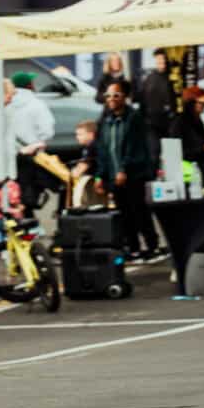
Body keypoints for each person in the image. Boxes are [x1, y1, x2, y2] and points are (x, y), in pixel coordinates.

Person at [95, 80, 160, 260]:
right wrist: (100, 175)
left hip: (133, 174)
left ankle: (152, 245)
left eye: (116, 95)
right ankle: (132, 247)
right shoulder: (104, 121)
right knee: (123, 214)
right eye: (108, 96)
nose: (111, 99)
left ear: (125, 97)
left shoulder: (134, 118)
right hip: (113, 175)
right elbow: (102, 149)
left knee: (139, 211)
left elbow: (135, 147)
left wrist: (124, 169)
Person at [6, 73, 56, 217]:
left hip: (13, 155)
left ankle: (21, 226)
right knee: (29, 192)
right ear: (29, 85)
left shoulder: (6, 104)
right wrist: (39, 142)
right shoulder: (37, 104)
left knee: (14, 194)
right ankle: (29, 226)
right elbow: (48, 131)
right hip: (32, 155)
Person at [138, 50, 175, 166]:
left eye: (163, 61)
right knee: (153, 154)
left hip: (170, 123)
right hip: (152, 123)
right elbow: (142, 100)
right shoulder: (150, 78)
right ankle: (153, 177)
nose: (161, 63)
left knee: (171, 155)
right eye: (159, 61)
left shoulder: (173, 78)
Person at [69, 120, 105, 207]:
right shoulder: (89, 147)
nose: (77, 137)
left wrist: (72, 173)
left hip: (98, 180)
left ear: (91, 134)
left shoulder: (92, 146)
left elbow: (81, 168)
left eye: (80, 134)